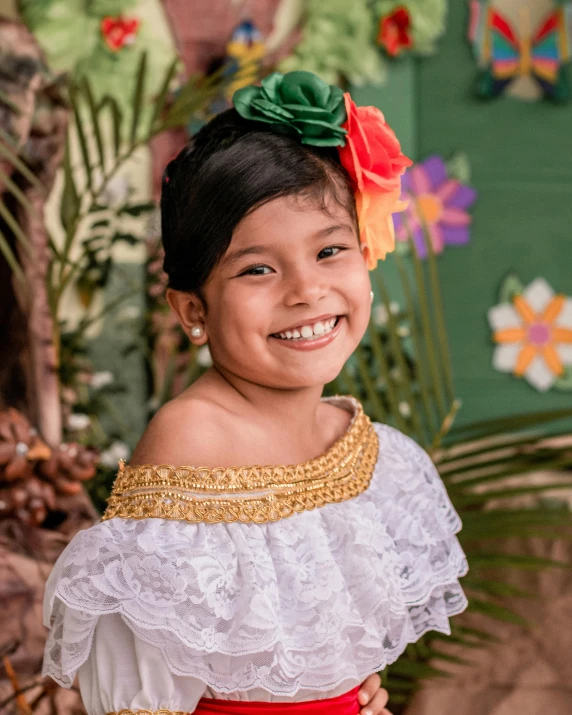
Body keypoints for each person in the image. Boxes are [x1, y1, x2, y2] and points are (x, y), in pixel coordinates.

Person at [42, 71, 469, 715]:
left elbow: (316, 669)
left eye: (330, 250)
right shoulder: (193, 437)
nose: (305, 290)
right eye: (258, 269)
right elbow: (141, 696)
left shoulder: (358, 445)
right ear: (194, 310)